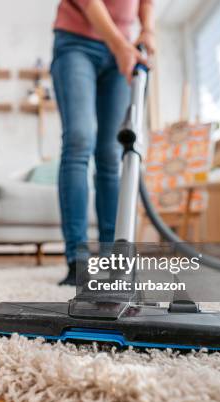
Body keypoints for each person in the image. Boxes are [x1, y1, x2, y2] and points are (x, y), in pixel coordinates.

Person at [51, 0, 155, 285]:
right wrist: (120, 45)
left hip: (124, 46)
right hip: (76, 43)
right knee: (79, 141)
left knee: (112, 153)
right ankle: (78, 260)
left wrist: (148, 30)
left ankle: (115, 262)